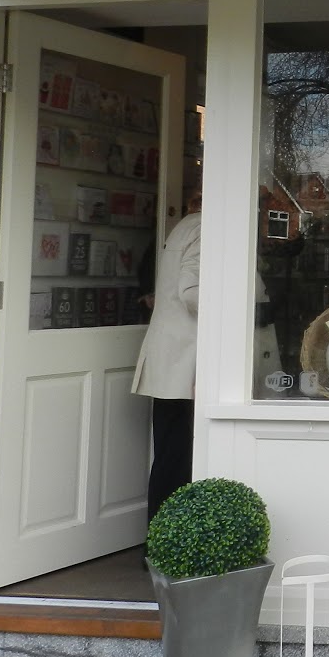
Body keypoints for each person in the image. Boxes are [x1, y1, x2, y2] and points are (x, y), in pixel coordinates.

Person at [130, 189, 202, 521]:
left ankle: (158, 540)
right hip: (185, 360)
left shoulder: (184, 226)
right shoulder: (206, 227)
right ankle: (167, 543)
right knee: (181, 457)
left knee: (169, 454)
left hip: (170, 356)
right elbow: (191, 293)